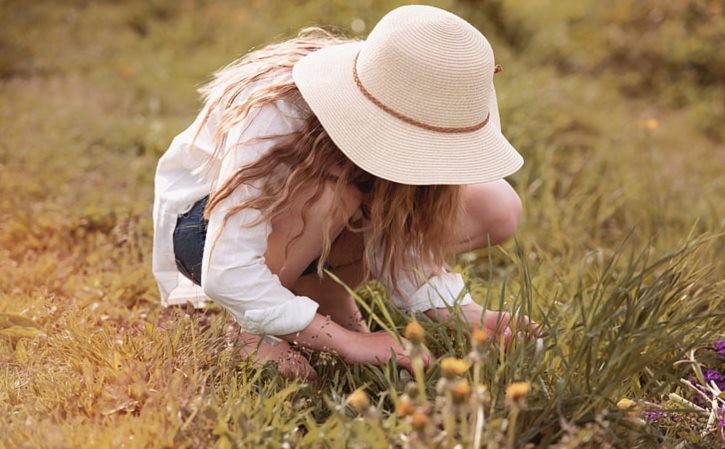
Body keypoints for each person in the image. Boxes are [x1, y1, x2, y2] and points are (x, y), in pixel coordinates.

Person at [152, 5, 534, 382]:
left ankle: (320, 290)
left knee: (494, 205)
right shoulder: (279, 113)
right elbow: (227, 267)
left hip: (303, 230)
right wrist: (348, 342)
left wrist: (461, 310)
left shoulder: (415, 93)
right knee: (331, 193)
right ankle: (253, 329)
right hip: (208, 232)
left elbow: (399, 226)